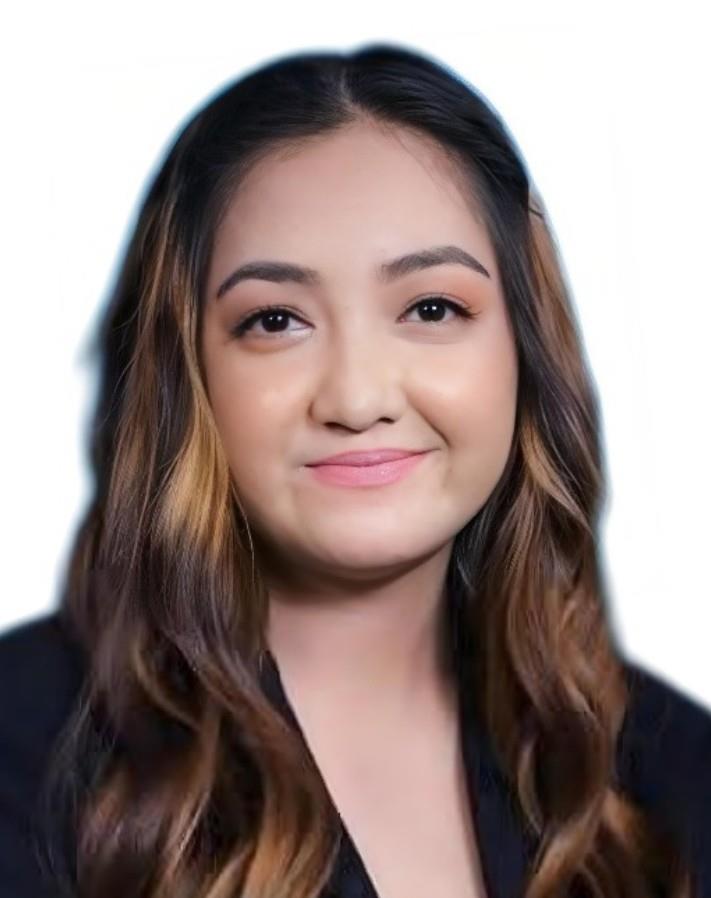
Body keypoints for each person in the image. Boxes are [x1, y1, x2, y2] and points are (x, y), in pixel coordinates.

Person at [0, 42, 709, 898]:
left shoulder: (668, 774)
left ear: (525, 351)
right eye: (274, 321)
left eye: (431, 307)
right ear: (185, 375)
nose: (357, 397)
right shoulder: (22, 753)